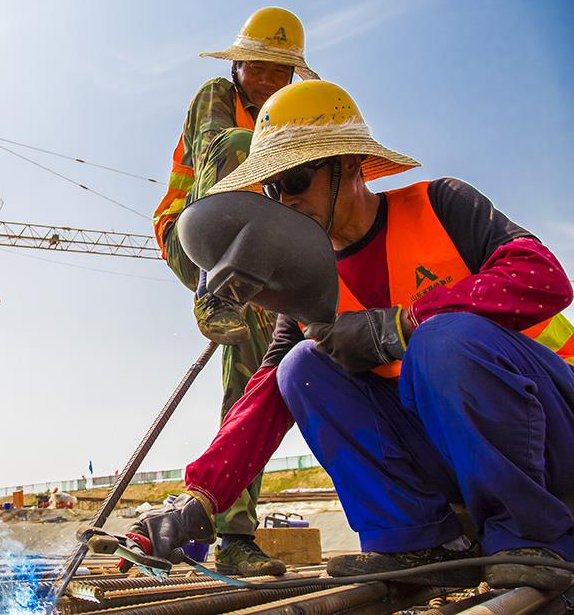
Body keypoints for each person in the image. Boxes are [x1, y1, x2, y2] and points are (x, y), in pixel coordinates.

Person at [133, 80, 574, 590]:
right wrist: (200, 498)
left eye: (296, 180)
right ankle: (416, 541)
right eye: (275, 189)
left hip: (549, 430)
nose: (286, 202)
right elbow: (265, 397)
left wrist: (405, 324)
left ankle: (531, 536)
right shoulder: (305, 285)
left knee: (443, 339)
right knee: (300, 367)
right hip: (452, 453)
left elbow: (541, 278)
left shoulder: (441, 205)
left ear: (348, 166)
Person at [151, 7, 316, 576]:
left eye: (282, 72)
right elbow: (216, 152)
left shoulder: (294, 119)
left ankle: (236, 534)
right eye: (261, 68)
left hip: (260, 259)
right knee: (241, 143)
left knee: (258, 380)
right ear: (240, 62)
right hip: (196, 234)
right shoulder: (216, 95)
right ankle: (214, 289)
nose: (271, 80)